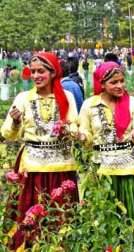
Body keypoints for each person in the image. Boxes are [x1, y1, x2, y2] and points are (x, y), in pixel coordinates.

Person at [1, 52, 79, 250]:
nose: (36, 76)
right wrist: (16, 121)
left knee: (61, 213)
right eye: (33, 71)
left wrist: (66, 130)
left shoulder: (66, 97)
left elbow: (75, 128)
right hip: (32, 167)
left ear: (53, 73)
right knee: (28, 213)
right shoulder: (23, 98)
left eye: (41, 71)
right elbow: (8, 133)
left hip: (60, 165)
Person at [79, 62, 134, 225]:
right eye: (114, 82)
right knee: (103, 219)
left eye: (122, 81)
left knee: (132, 215)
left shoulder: (132, 102)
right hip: (101, 168)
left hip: (129, 169)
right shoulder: (89, 105)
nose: (120, 86)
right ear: (102, 84)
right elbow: (86, 132)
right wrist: (83, 137)